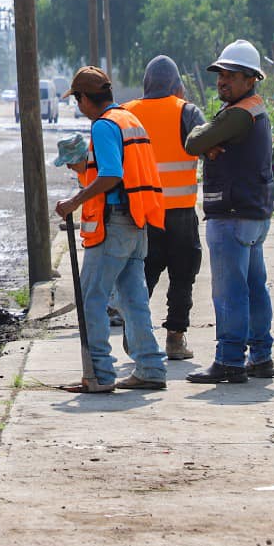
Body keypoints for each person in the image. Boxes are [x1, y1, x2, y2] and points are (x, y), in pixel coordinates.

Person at [53, 66, 169, 393]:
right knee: (133, 300)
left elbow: (110, 175)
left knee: (92, 298)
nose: (78, 106)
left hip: (113, 223)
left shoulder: (104, 126)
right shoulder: (130, 120)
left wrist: (75, 201)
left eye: (78, 99)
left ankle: (100, 375)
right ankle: (150, 367)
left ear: (86, 98)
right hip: (137, 222)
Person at [183, 39, 274, 384]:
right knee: (253, 287)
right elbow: (202, 141)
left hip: (233, 214)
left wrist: (207, 142)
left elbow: (192, 142)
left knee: (229, 291)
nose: (222, 81)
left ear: (251, 79)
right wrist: (209, 142)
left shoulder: (238, 114)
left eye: (231, 75)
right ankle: (261, 357)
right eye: (220, 74)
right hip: (253, 213)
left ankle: (230, 360)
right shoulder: (254, 110)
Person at [122, 55, 206, 360]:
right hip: (181, 213)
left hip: (143, 213)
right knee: (183, 276)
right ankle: (175, 339)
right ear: (177, 86)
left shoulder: (127, 113)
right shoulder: (186, 111)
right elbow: (209, 143)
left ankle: (136, 334)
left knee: (142, 274)